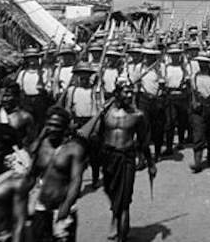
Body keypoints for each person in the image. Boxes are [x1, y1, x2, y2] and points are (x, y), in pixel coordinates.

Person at [99, 78, 155, 242]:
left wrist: (151, 164)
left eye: (131, 91)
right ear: (116, 93)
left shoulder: (138, 115)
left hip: (127, 158)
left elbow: (143, 142)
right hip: (109, 158)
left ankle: (121, 235)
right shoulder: (105, 112)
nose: (130, 95)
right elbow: (98, 136)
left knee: (124, 202)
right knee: (109, 190)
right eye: (126, 91)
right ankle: (116, 214)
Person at [27, 106, 87, 242]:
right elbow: (32, 176)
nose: (53, 129)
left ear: (65, 127)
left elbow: (76, 180)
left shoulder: (74, 149)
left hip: (62, 207)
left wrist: (66, 205)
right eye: (50, 125)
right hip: (41, 206)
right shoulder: (42, 146)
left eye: (57, 126)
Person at [60, 62, 101, 188]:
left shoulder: (94, 91)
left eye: (87, 74)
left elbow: (98, 110)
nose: (84, 77)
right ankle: (76, 183)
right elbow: (68, 108)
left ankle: (95, 177)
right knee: (78, 156)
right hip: (77, 122)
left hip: (91, 121)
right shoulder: (72, 90)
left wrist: (95, 128)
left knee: (94, 154)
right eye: (81, 74)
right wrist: (69, 124)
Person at [136, 44, 166, 162]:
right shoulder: (139, 67)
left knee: (158, 127)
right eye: (147, 55)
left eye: (151, 55)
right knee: (144, 128)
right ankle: (143, 155)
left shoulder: (160, 67)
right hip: (144, 99)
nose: (149, 58)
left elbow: (164, 83)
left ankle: (157, 152)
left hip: (157, 100)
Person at [16, 47, 51, 133]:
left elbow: (49, 88)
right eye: (29, 58)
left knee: (40, 124)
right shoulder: (22, 73)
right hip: (26, 101)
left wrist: (44, 89)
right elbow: (19, 87)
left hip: (39, 101)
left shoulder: (44, 72)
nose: (32, 60)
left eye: (34, 58)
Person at [163, 43, 190, 157]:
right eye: (173, 55)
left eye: (177, 55)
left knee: (182, 120)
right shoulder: (166, 68)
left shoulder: (184, 67)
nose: (175, 57)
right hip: (170, 96)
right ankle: (169, 146)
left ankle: (181, 141)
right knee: (170, 122)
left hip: (181, 96)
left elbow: (188, 81)